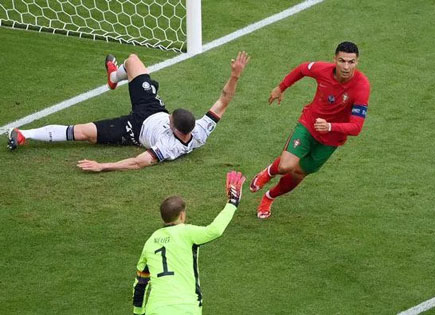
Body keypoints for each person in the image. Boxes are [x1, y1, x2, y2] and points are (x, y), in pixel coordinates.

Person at [7, 51, 250, 172]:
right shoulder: (200, 131)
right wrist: (235, 74)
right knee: (133, 60)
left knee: (84, 132)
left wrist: (103, 166)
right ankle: (114, 76)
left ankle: (24, 134)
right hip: (151, 108)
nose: (169, 119)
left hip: (134, 129)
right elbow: (223, 101)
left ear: (174, 128)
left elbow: (137, 162)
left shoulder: (167, 148)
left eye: (170, 120)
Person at [250, 41, 370, 219]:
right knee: (285, 166)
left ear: (357, 62)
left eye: (351, 62)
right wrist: (281, 87)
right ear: (334, 59)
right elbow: (302, 69)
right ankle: (268, 172)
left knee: (299, 173)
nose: (346, 66)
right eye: (342, 61)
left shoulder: (362, 86)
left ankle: (269, 197)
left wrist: (330, 127)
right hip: (308, 124)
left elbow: (356, 127)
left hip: (331, 140)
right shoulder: (322, 69)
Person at [132, 170, 246, 315]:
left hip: (156, 309)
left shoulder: (150, 242)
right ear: (182, 215)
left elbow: (141, 283)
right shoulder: (187, 233)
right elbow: (215, 230)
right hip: (186, 307)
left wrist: (138, 312)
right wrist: (232, 203)